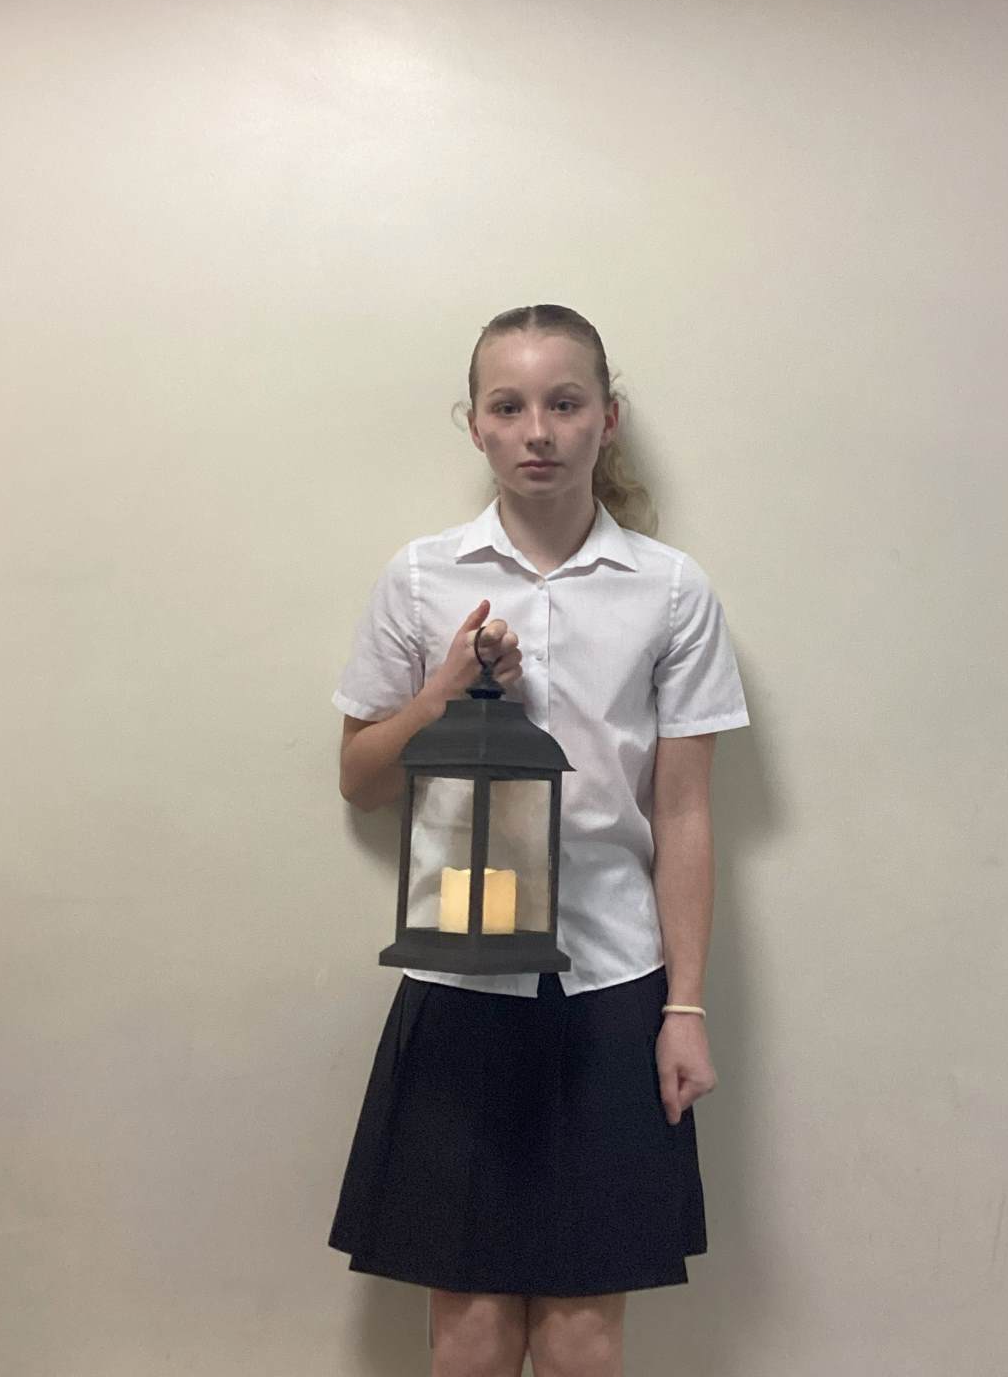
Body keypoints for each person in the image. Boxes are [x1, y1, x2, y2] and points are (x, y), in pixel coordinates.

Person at [328, 304, 750, 1377]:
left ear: (608, 418)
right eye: (508, 407)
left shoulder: (671, 589)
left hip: (613, 985)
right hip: (458, 979)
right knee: (469, 1337)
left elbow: (685, 814)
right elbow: (360, 779)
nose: (538, 432)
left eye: (564, 404)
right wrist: (441, 693)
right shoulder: (420, 578)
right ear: (473, 423)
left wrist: (685, 1009)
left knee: (580, 1339)